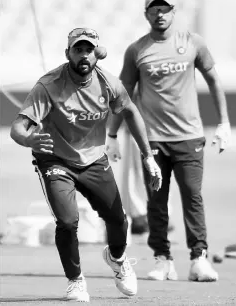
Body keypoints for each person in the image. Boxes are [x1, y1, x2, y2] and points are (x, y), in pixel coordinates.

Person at [10, 27, 162, 302]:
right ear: (67, 53)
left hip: (93, 159)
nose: (83, 55)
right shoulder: (49, 85)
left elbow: (130, 111)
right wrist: (29, 140)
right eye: (77, 49)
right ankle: (76, 281)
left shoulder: (108, 83)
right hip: (55, 160)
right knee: (67, 222)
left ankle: (116, 258)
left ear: (95, 54)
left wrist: (148, 156)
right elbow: (18, 128)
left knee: (118, 219)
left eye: (88, 50)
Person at [106, 0, 232, 282]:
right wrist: (112, 135)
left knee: (192, 195)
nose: (160, 14)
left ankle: (198, 258)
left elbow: (213, 79)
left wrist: (224, 123)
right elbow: (123, 96)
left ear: (174, 12)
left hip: (189, 136)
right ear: (146, 14)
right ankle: (163, 260)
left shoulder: (192, 42)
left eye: (165, 9)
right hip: (152, 141)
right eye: (154, 9)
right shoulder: (137, 50)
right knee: (156, 200)